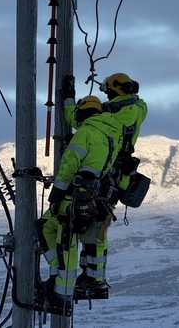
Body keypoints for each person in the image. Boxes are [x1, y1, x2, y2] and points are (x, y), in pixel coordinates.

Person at [60, 72, 148, 296]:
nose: (106, 95)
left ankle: (94, 279)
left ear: (115, 90)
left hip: (104, 174)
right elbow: (139, 102)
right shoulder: (139, 109)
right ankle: (92, 276)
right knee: (98, 223)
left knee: (93, 225)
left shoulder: (108, 114)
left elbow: (76, 118)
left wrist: (69, 97)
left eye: (108, 91)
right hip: (121, 177)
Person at [35, 95, 123, 312]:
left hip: (75, 199)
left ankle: (61, 295)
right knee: (51, 228)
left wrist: (55, 197)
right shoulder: (111, 133)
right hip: (98, 199)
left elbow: (68, 167)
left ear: (82, 114)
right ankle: (68, 281)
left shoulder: (86, 133)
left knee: (66, 243)